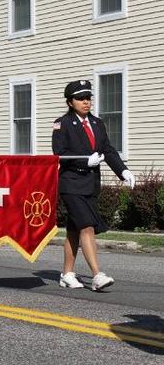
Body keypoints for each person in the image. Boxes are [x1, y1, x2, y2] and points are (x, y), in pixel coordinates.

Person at [52, 80, 135, 291]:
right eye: (81, 98)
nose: (86, 102)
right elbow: (59, 154)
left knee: (73, 229)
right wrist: (83, 161)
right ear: (70, 102)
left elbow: (107, 150)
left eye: (88, 98)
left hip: (90, 184)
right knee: (87, 227)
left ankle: (67, 274)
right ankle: (97, 275)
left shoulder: (97, 123)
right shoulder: (61, 124)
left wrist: (123, 171)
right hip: (71, 184)